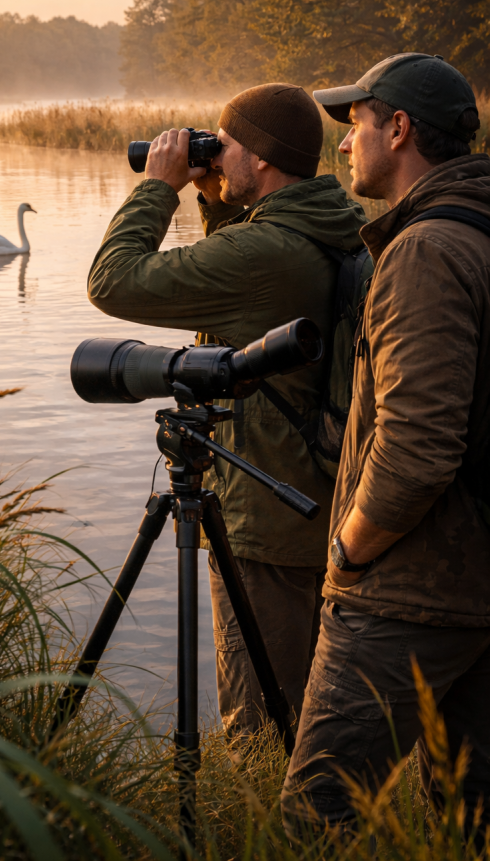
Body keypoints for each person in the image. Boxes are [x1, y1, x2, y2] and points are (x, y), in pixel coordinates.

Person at [87, 83, 368, 731]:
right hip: (319, 499)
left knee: (259, 720)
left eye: (224, 143)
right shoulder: (329, 224)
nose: (212, 155)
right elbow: (248, 299)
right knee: (307, 705)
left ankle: (256, 823)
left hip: (266, 519)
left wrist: (159, 187)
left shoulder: (266, 253)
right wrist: (217, 202)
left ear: (262, 158)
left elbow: (113, 281)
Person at [281, 52, 490, 833]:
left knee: (316, 816)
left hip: (413, 591)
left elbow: (417, 449)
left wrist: (350, 551)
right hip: (475, 585)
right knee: (468, 822)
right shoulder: (479, 225)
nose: (342, 145)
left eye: (355, 124)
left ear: (397, 129)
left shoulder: (426, 251)